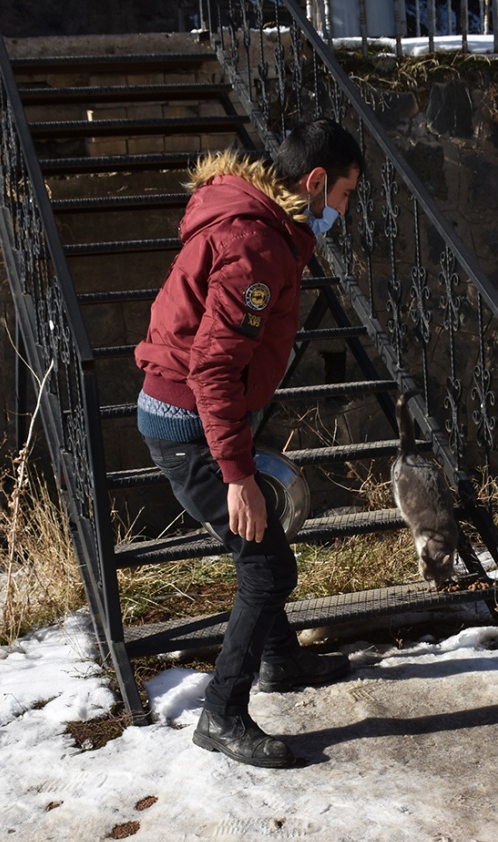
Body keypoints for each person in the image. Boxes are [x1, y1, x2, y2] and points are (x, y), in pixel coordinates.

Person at [135, 119, 366, 768]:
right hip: (189, 428)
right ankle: (221, 714)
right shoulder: (257, 245)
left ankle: (283, 663)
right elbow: (210, 366)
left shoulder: (260, 225)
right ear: (315, 183)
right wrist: (236, 473)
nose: (343, 214)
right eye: (344, 196)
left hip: (193, 416)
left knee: (262, 552)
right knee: (268, 569)